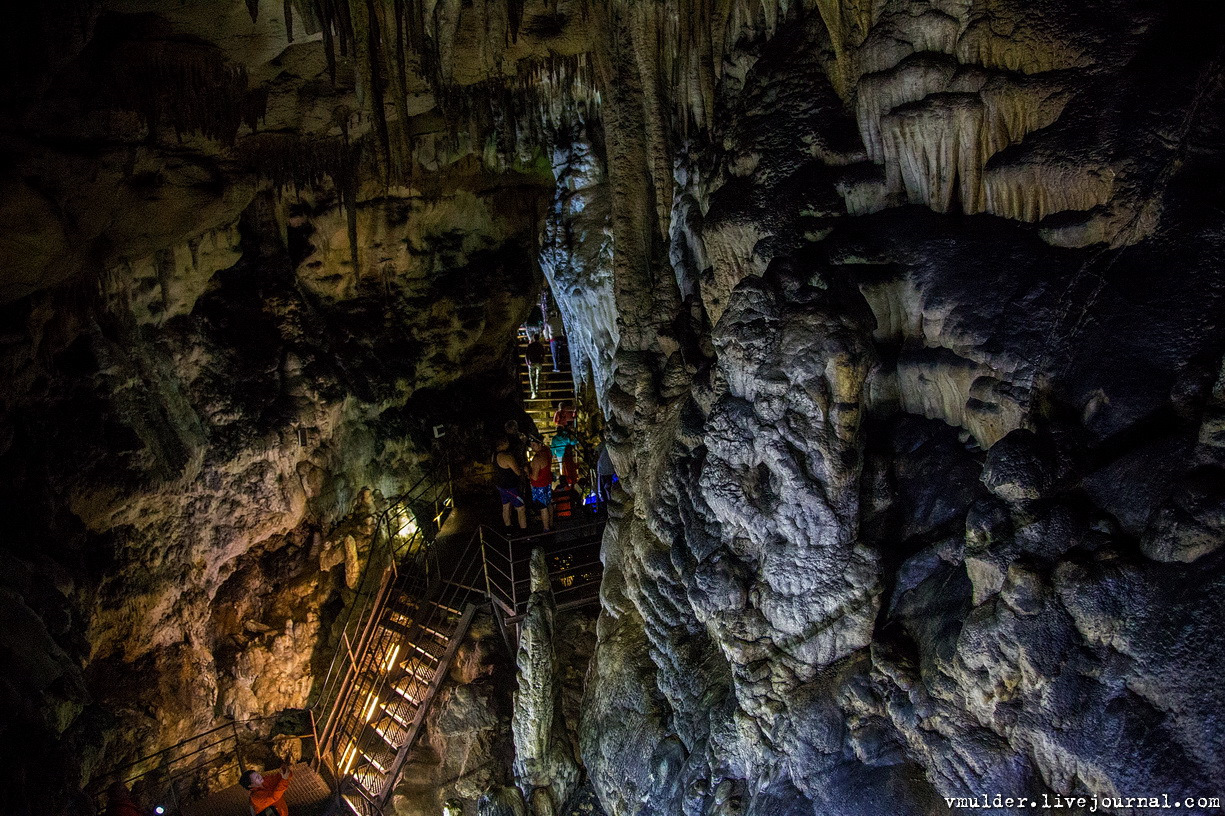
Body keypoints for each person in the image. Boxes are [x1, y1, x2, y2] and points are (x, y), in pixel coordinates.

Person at [493, 438, 528, 531]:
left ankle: (508, 530)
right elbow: (518, 472)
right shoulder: (507, 457)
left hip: (501, 486)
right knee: (521, 508)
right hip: (510, 487)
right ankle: (524, 532)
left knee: (506, 506)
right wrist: (524, 470)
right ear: (503, 444)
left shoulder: (494, 455)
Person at [528, 437, 554, 531]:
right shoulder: (547, 451)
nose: (532, 447)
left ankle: (546, 528)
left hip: (539, 485)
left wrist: (527, 472)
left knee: (543, 507)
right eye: (531, 445)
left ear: (539, 444)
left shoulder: (537, 459)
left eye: (534, 445)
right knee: (548, 504)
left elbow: (534, 477)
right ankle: (550, 523)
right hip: (547, 482)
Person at [597, 442, 616, 507]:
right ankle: (608, 501)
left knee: (604, 487)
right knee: (607, 486)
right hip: (607, 469)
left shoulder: (603, 446)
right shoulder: (607, 445)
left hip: (603, 470)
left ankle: (606, 502)